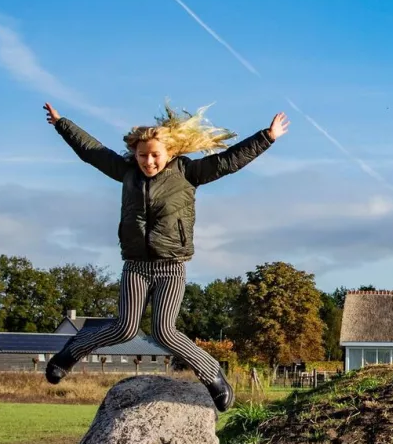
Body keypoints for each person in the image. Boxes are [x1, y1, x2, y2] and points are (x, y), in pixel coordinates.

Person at [42, 101, 289, 410]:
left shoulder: (188, 171)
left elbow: (229, 161)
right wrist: (63, 123)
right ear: (135, 154)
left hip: (171, 266)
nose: (148, 162)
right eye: (142, 155)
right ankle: (69, 354)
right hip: (135, 266)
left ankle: (213, 376)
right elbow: (92, 151)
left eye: (155, 155)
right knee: (124, 327)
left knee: (164, 330)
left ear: (169, 152)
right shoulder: (126, 172)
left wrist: (266, 137)